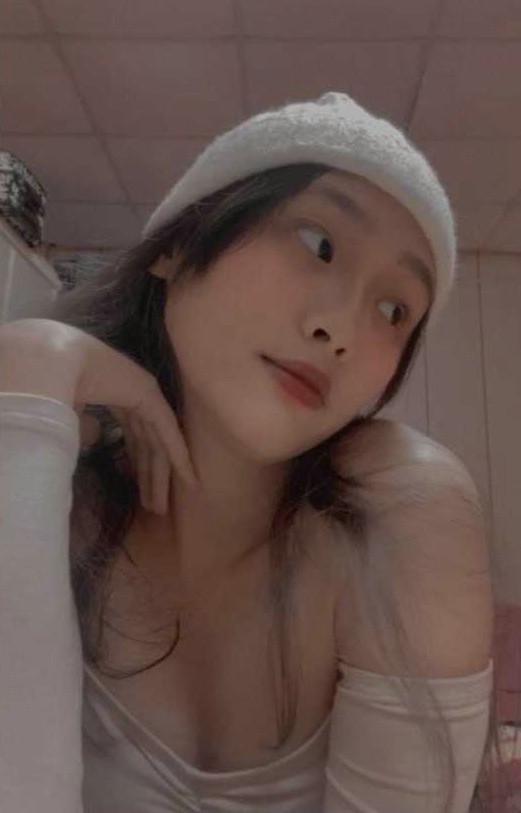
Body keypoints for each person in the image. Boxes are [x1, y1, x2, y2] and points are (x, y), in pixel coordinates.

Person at [0, 92, 496, 813]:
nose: (341, 329)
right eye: (318, 244)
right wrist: (31, 370)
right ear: (176, 246)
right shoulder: (48, 471)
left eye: (394, 310)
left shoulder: (397, 511)